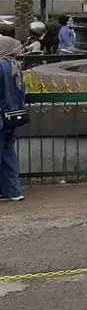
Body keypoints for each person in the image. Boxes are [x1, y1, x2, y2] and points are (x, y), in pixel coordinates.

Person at [0, 36, 26, 202]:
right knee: (8, 154)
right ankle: (13, 191)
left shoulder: (1, 66)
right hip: (12, 116)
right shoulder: (15, 65)